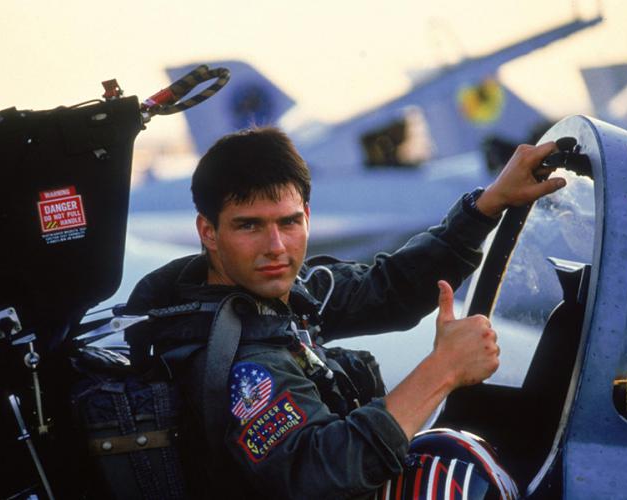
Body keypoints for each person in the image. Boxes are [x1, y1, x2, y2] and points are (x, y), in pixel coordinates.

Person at [125, 127, 565, 499]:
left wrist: (487, 205)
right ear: (208, 231)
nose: (275, 247)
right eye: (249, 225)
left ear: (307, 216)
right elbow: (322, 472)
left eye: (288, 222)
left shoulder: (274, 297)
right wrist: (443, 369)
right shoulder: (232, 360)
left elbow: (388, 288)